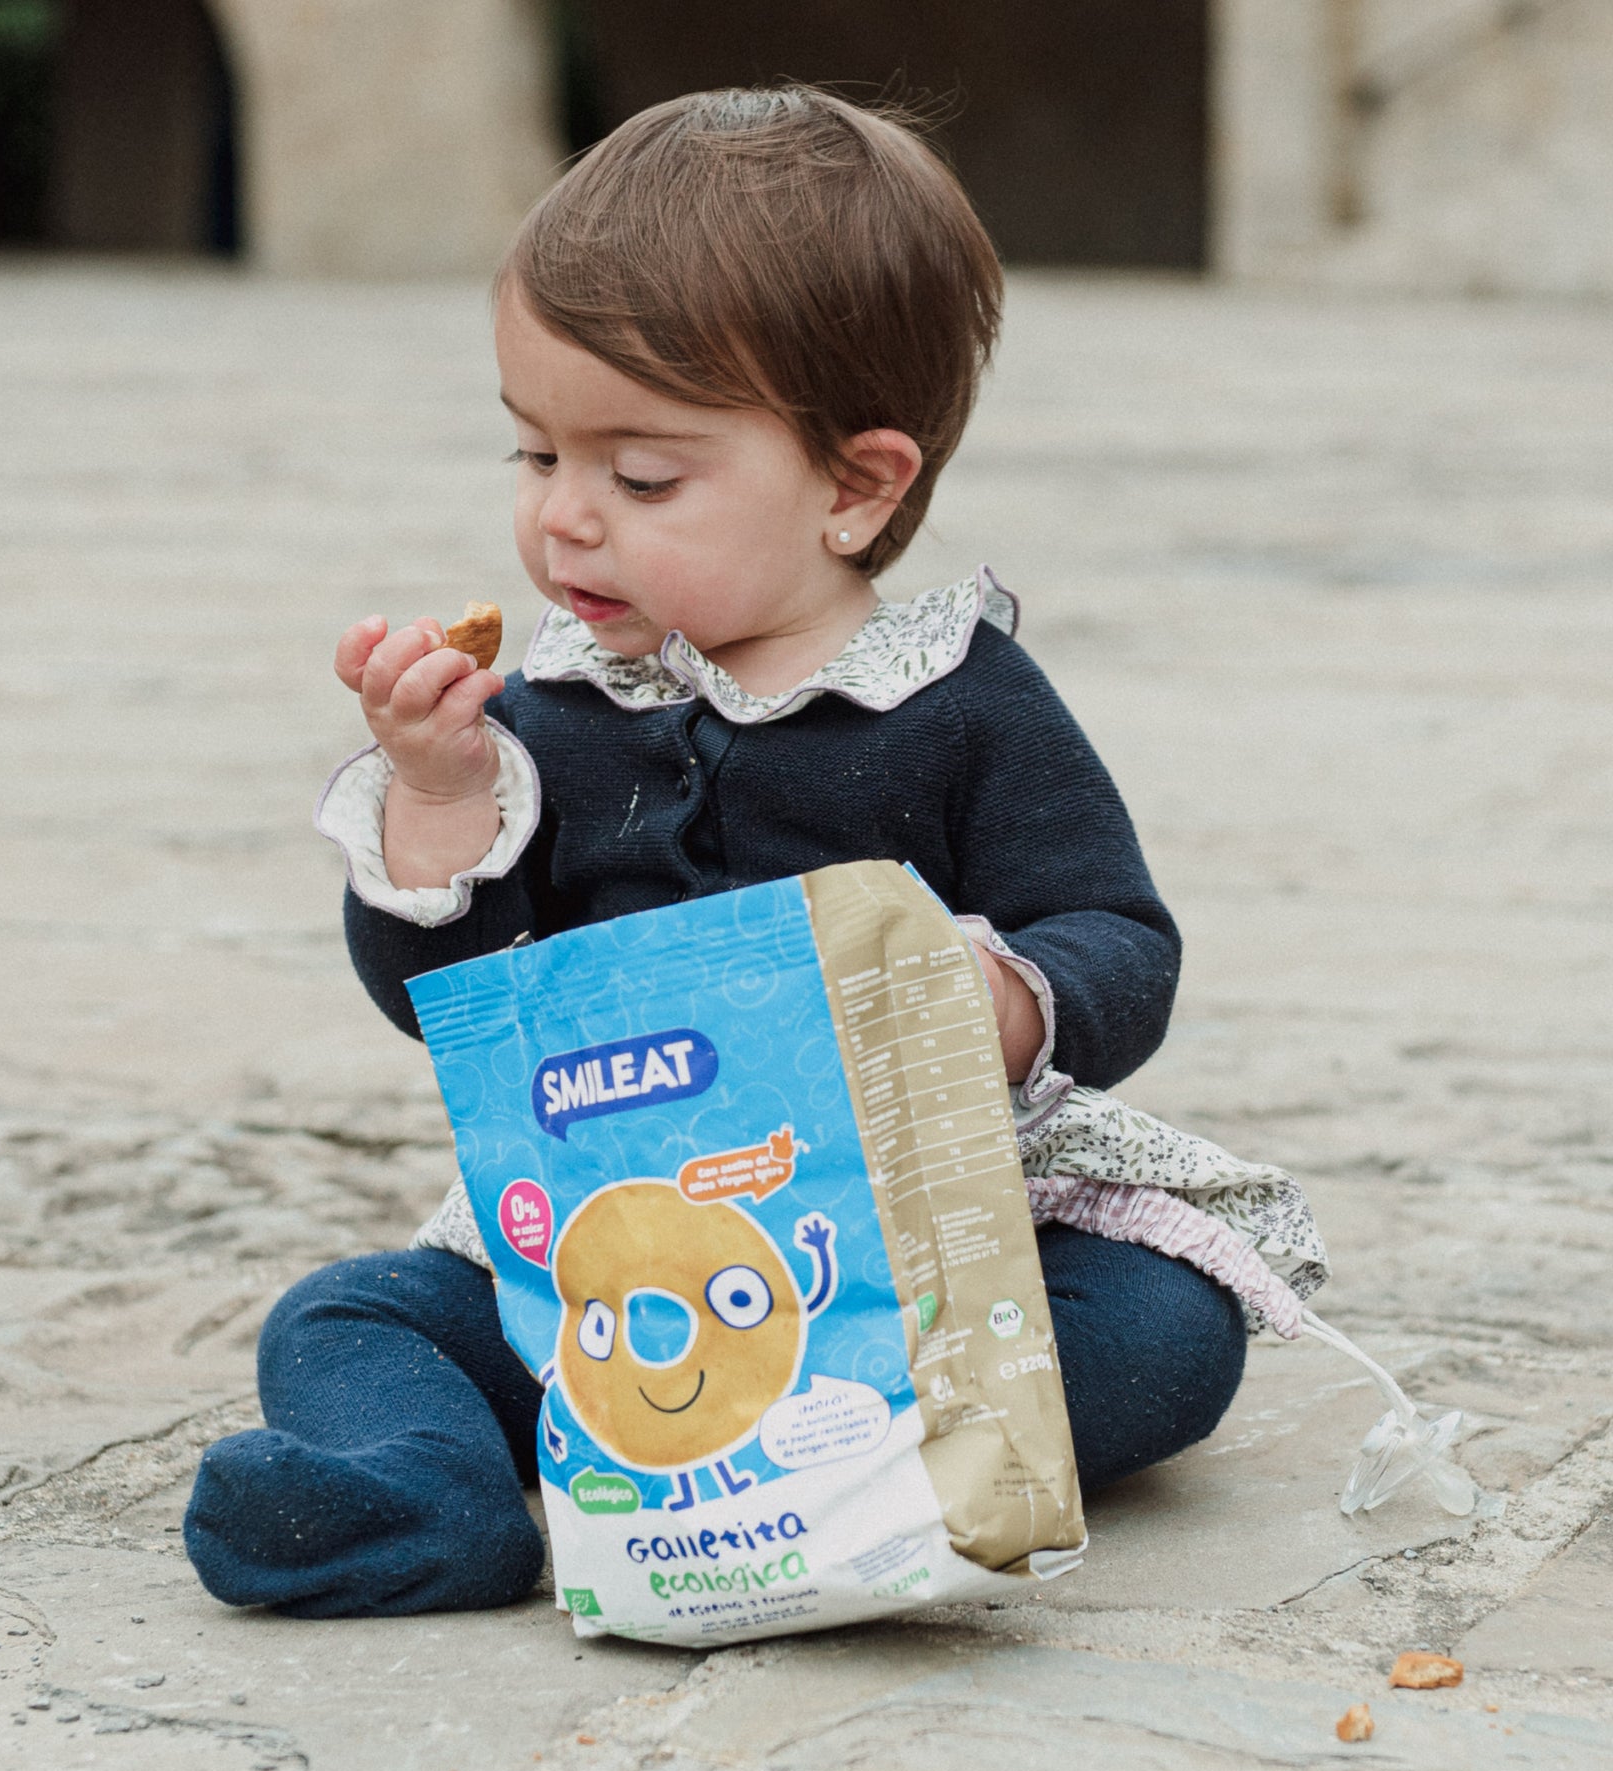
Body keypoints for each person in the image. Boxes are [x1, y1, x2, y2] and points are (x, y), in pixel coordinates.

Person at [184, 87, 1323, 1621]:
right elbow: (442, 1002)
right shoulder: (555, 718)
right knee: (347, 1317)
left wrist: (1005, 999)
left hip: (924, 1231)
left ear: (857, 487)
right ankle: (430, 1498)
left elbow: (1118, 932)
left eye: (640, 478)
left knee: (1165, 1330)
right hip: (618, 1238)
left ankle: (851, 1458)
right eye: (534, 458)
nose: (563, 525)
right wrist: (445, 804)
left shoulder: (957, 703)